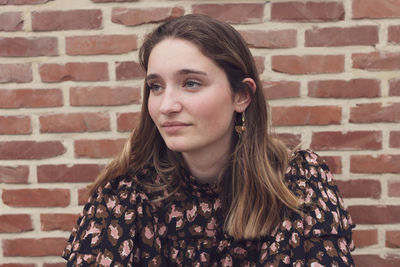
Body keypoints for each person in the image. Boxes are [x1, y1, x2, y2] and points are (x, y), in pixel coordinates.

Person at [62, 14, 355, 266]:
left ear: (241, 95)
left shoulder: (298, 184)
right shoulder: (125, 196)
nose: (166, 106)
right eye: (156, 86)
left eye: (191, 83)